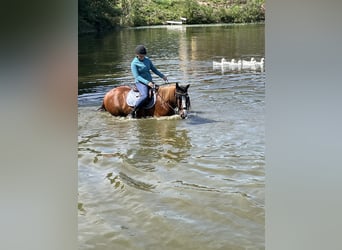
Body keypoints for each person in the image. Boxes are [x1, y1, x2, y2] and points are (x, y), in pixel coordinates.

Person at [129, 45, 168, 118]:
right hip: (140, 83)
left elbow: (154, 69)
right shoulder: (134, 63)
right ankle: (134, 110)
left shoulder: (147, 60)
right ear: (137, 55)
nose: (142, 57)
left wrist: (162, 76)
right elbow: (137, 76)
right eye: (141, 56)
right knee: (145, 95)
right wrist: (147, 83)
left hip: (150, 82)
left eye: (143, 55)